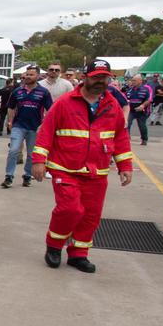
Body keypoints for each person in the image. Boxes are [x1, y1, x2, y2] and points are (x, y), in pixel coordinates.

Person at [32, 58, 134, 273]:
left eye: (104, 78)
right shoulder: (65, 103)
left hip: (97, 172)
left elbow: (120, 137)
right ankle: (54, 246)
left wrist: (125, 165)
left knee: (90, 215)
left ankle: (79, 254)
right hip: (65, 168)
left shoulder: (112, 105)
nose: (100, 82)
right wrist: (39, 161)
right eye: (96, 77)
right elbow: (46, 133)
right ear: (85, 77)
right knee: (70, 209)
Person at [1, 65, 51, 189]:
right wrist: (10, 122)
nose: (28, 77)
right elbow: (11, 108)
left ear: (38, 76)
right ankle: (9, 176)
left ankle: (27, 175)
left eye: (31, 75)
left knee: (30, 154)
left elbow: (50, 110)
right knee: (13, 150)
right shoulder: (17, 91)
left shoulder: (43, 92)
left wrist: (44, 125)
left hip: (35, 127)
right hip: (18, 126)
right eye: (27, 74)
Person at [125, 74, 154, 146]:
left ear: (140, 81)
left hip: (142, 111)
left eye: (134, 80)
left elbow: (149, 99)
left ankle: (144, 139)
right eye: (132, 80)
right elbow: (126, 99)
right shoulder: (129, 90)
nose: (133, 82)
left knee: (142, 125)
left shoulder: (146, 89)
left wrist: (142, 106)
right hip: (131, 110)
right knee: (127, 123)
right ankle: (127, 139)